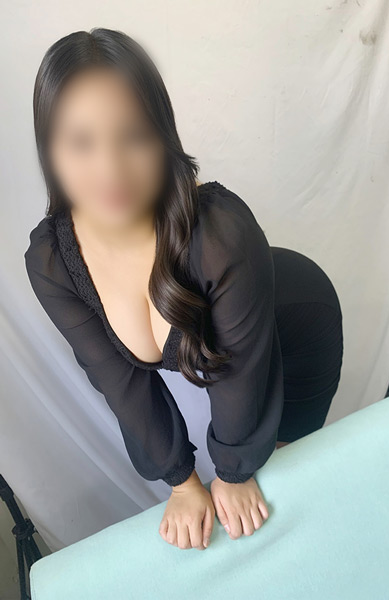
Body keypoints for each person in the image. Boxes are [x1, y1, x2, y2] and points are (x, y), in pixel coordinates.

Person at [24, 28, 343, 551]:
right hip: (242, 346)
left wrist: (234, 471)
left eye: (134, 136)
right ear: (49, 150)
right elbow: (120, 383)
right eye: (81, 143)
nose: (110, 169)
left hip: (297, 325)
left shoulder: (220, 231)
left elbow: (240, 367)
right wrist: (182, 482)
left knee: (284, 492)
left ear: (163, 135)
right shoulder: (52, 263)